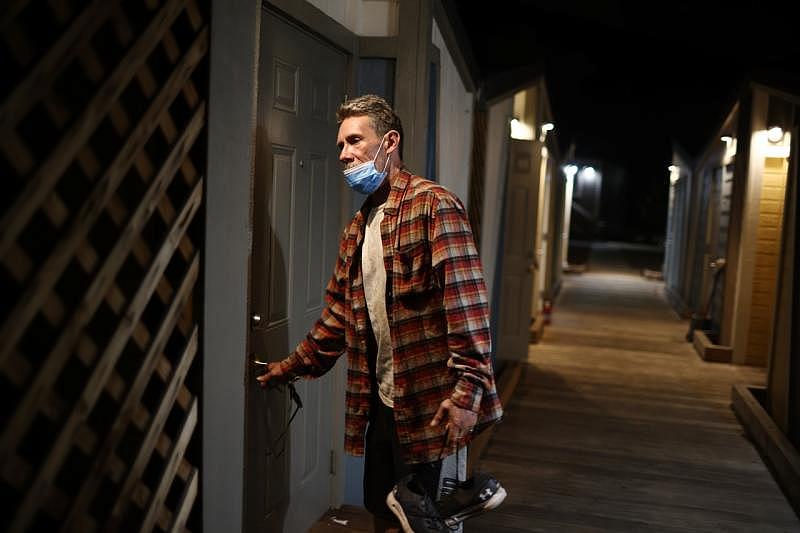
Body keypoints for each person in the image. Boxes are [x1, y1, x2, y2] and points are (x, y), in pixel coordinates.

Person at [257, 94, 503, 532]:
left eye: (355, 140)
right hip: (385, 401)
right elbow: (337, 319)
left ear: (389, 142)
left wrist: (467, 395)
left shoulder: (433, 206)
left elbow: (467, 306)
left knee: (431, 521)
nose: (345, 154)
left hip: (434, 404)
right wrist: (289, 368)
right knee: (384, 509)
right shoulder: (358, 228)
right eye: (340, 146)